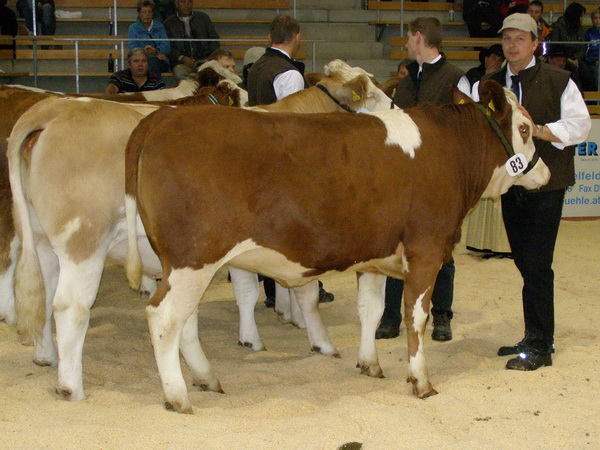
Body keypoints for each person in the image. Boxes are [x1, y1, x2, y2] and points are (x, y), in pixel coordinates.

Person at [471, 13, 590, 371]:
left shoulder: (558, 80)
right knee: (524, 261)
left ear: (535, 43)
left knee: (537, 264)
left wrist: (536, 129)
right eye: (506, 38)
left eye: (519, 39)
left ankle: (541, 344)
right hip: (511, 184)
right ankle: (533, 336)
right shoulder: (490, 84)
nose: (511, 45)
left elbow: (579, 125)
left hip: (547, 182)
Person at [376, 17, 464, 341]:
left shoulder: (456, 78)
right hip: (405, 177)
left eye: (409, 37)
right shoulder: (407, 79)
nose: (406, 42)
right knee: (399, 244)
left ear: (419, 37)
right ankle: (390, 316)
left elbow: (463, 130)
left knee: (443, 247)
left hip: (442, 179)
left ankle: (442, 316)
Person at [247, 14, 334, 307]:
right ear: (296, 38)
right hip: (285, 157)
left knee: (268, 224)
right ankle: (301, 287)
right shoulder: (291, 73)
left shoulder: (256, 67)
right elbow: (295, 123)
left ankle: (273, 292)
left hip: (258, 151)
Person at [164, 0, 220, 81]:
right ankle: (193, 90)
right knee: (179, 72)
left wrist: (209, 57)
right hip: (182, 63)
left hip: (204, 59)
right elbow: (168, 46)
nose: (187, 5)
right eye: (183, 2)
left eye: (189, 1)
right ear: (177, 4)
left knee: (212, 71)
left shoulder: (203, 18)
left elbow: (214, 39)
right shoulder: (169, 22)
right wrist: (181, 58)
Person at [127, 0, 171, 76]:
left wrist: (156, 51)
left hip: (159, 60)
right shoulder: (133, 28)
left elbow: (166, 46)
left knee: (153, 63)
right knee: (148, 64)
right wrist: (146, 51)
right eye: (144, 12)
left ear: (153, 13)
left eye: (149, 12)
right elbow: (132, 47)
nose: (147, 14)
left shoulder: (160, 27)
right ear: (139, 13)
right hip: (141, 60)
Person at [582, 7, 600, 91]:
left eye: (599, 18)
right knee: (597, 72)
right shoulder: (588, 33)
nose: (597, 20)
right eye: (595, 18)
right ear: (592, 20)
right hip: (593, 64)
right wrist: (594, 61)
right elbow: (585, 52)